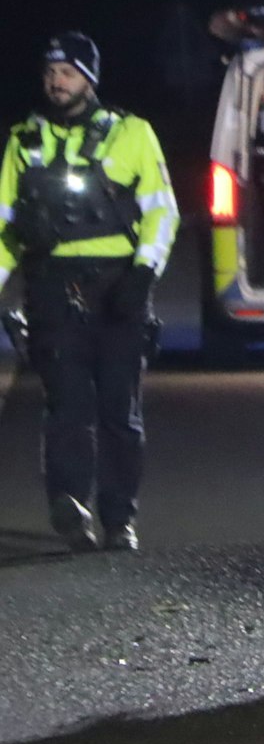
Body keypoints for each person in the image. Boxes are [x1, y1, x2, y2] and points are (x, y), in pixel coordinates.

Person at [0, 33, 180, 552]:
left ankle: (119, 518)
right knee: (66, 408)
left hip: (118, 286)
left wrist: (143, 275)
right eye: (50, 72)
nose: (56, 81)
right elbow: (6, 228)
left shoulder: (132, 134)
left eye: (68, 72)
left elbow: (161, 212)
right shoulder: (22, 141)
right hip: (52, 289)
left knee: (120, 413)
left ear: (90, 78)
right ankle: (71, 508)